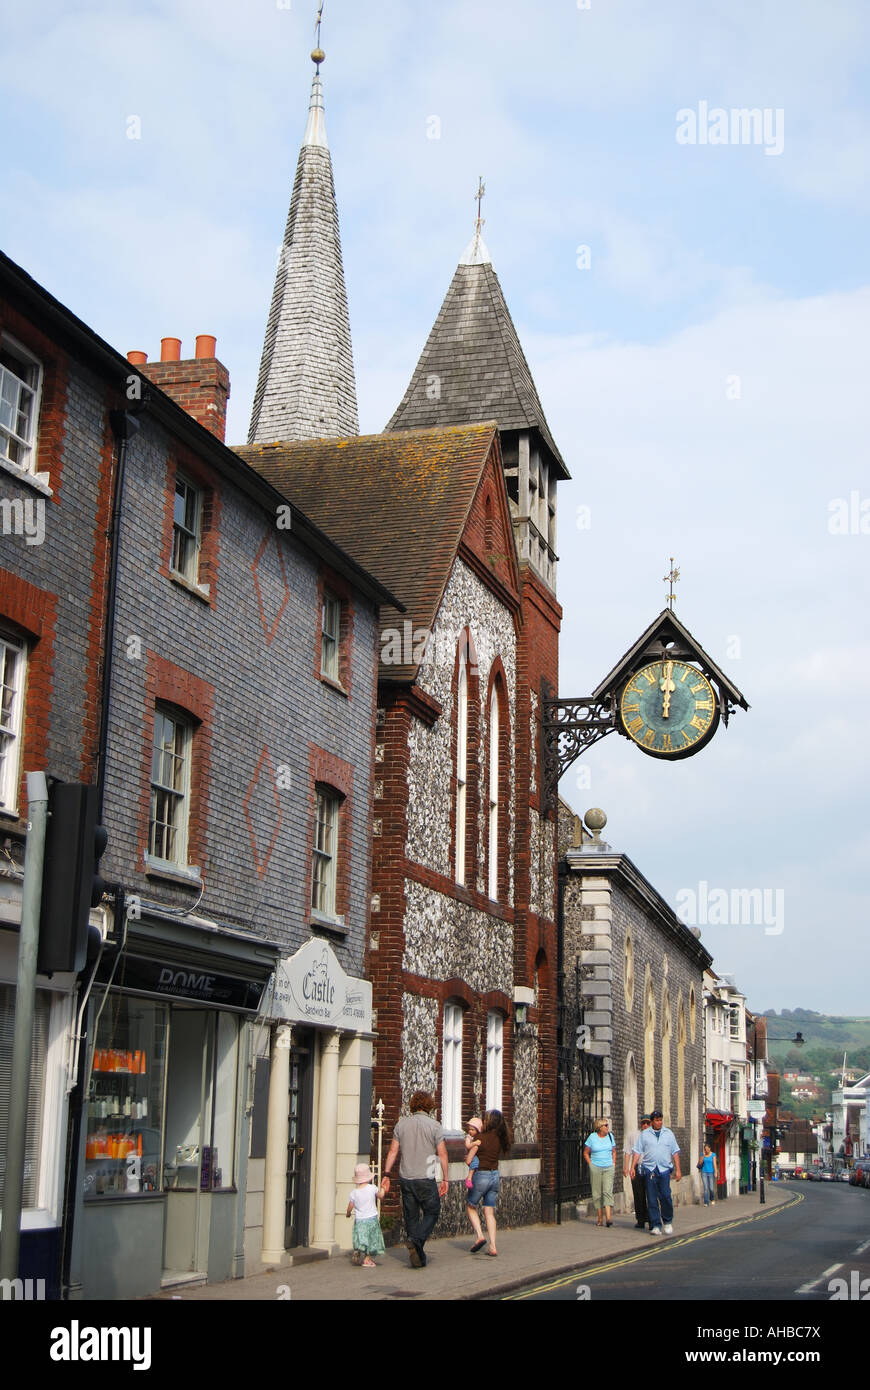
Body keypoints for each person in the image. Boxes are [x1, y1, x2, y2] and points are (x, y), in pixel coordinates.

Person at [381, 1090, 448, 1268]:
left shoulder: (401, 1125)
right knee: (432, 1212)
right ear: (429, 1105)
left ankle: (418, 1255)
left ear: (413, 1105)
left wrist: (386, 1174)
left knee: (410, 1216)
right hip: (425, 1177)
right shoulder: (434, 1126)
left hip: (406, 1177)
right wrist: (446, 1179)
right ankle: (416, 1241)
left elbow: (393, 1151)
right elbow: (442, 1153)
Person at [466, 1109, 512, 1255]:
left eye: (485, 1119)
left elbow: (468, 1161)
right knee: (489, 1211)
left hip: (482, 1175)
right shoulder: (501, 1139)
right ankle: (493, 1246)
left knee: (470, 1205)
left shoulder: (480, 1138)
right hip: (495, 1176)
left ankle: (480, 1236)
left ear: (489, 1121)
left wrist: (470, 1146)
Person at [631, 1107, 682, 1236]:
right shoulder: (645, 1134)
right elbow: (637, 1151)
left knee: (665, 1196)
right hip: (650, 1170)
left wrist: (678, 1170)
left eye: (661, 1120)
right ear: (652, 1122)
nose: (659, 1122)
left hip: (664, 1170)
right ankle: (655, 1225)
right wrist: (632, 1167)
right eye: (657, 1120)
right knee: (652, 1199)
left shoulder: (669, 1134)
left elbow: (675, 1152)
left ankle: (668, 1221)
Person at [346, 1163, 386, 1267]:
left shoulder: (354, 1192)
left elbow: (350, 1206)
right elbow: (381, 1196)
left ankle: (358, 1250)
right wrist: (383, 1188)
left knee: (360, 1237)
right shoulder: (372, 1188)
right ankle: (367, 1259)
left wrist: (348, 1213)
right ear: (368, 1177)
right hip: (371, 1219)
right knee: (371, 1239)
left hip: (360, 1220)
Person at [584, 1117, 616, 1227]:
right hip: (596, 1167)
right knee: (597, 1193)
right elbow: (586, 1152)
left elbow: (614, 1151)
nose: (608, 1127)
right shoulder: (592, 1138)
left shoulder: (610, 1137)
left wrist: (613, 1163)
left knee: (607, 1191)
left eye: (608, 1125)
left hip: (608, 1167)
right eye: (606, 1125)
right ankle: (599, 1218)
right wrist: (590, 1164)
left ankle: (608, 1218)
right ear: (600, 1127)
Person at [624, 1114, 651, 1229]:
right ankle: (640, 1219)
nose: (645, 1125)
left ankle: (651, 1220)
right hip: (636, 1167)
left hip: (650, 1167)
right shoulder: (633, 1135)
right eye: (643, 1123)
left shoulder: (654, 1135)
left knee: (650, 1194)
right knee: (638, 1194)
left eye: (647, 1123)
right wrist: (626, 1167)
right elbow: (628, 1152)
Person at [464, 1116, 483, 1190]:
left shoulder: (478, 1137)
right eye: (469, 1129)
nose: (470, 1131)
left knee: (476, 1163)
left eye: (473, 1130)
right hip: (470, 1154)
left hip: (475, 1154)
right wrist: (475, 1143)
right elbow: (468, 1146)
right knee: (475, 1162)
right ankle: (469, 1178)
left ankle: (471, 1177)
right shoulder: (468, 1137)